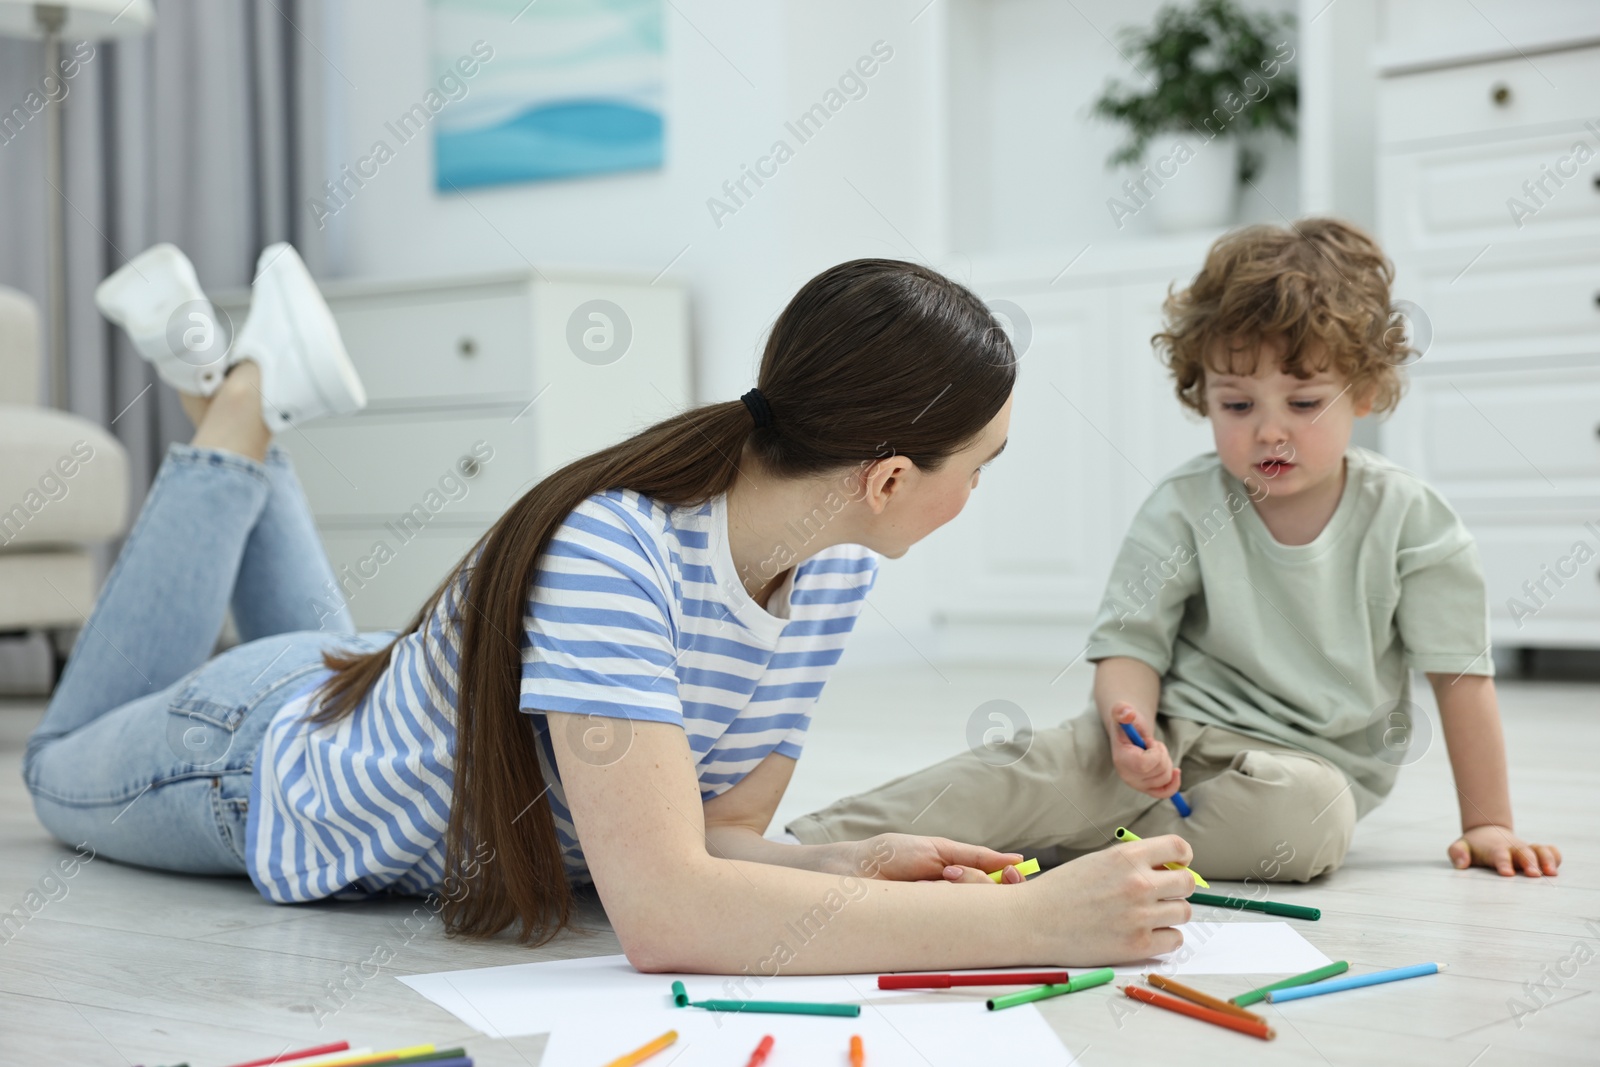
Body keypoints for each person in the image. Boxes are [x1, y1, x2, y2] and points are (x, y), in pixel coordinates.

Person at [25, 246, 1199, 974]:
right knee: (50, 763)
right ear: (890, 477)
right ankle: (234, 401)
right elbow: (668, 911)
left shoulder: (832, 562)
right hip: (247, 761)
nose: (979, 489)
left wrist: (843, 856)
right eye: (979, 465)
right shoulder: (612, 550)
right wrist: (1032, 923)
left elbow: (703, 837)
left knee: (355, 664)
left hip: (368, 687)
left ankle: (233, 383)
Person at [787, 219, 1563, 885]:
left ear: (1364, 391)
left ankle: (1073, 852)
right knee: (1034, 763)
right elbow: (1130, 645)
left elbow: (1461, 676)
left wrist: (1489, 820)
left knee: (1311, 821)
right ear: (1202, 394)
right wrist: (1130, 724)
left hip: (1309, 774)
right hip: (1176, 729)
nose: (1268, 430)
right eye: (1235, 404)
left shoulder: (1411, 519)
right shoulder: (1187, 504)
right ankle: (803, 847)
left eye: (1302, 402)